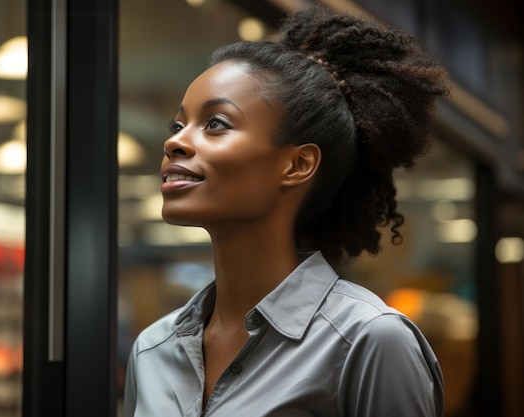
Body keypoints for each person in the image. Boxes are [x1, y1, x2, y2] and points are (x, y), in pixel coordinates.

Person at [124, 4, 449, 417]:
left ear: (297, 165)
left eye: (216, 124)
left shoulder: (368, 341)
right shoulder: (152, 349)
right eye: (177, 125)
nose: (175, 143)